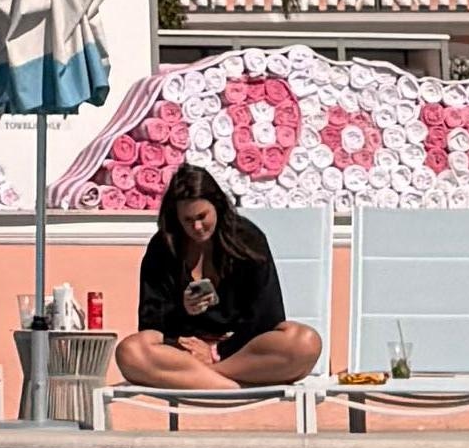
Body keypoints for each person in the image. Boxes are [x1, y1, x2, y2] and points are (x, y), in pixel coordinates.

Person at [118, 158, 324, 396]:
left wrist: (217, 351)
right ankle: (232, 389)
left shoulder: (247, 240)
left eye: (202, 216)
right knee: (130, 351)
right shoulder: (164, 247)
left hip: (241, 351)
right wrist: (181, 308)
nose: (196, 227)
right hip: (184, 352)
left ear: (217, 206)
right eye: (187, 220)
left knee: (305, 341)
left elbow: (267, 317)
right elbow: (150, 324)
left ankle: (205, 379)